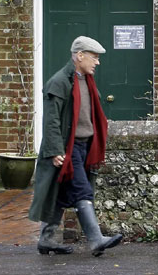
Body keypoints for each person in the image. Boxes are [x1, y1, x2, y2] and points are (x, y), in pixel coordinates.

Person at [28, 36, 123, 256]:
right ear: (80, 56)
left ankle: (46, 240)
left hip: (84, 146)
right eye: (94, 57)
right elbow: (51, 120)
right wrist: (55, 150)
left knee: (60, 194)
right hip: (67, 149)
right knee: (82, 190)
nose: (97, 62)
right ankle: (96, 240)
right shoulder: (59, 82)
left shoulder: (87, 81)